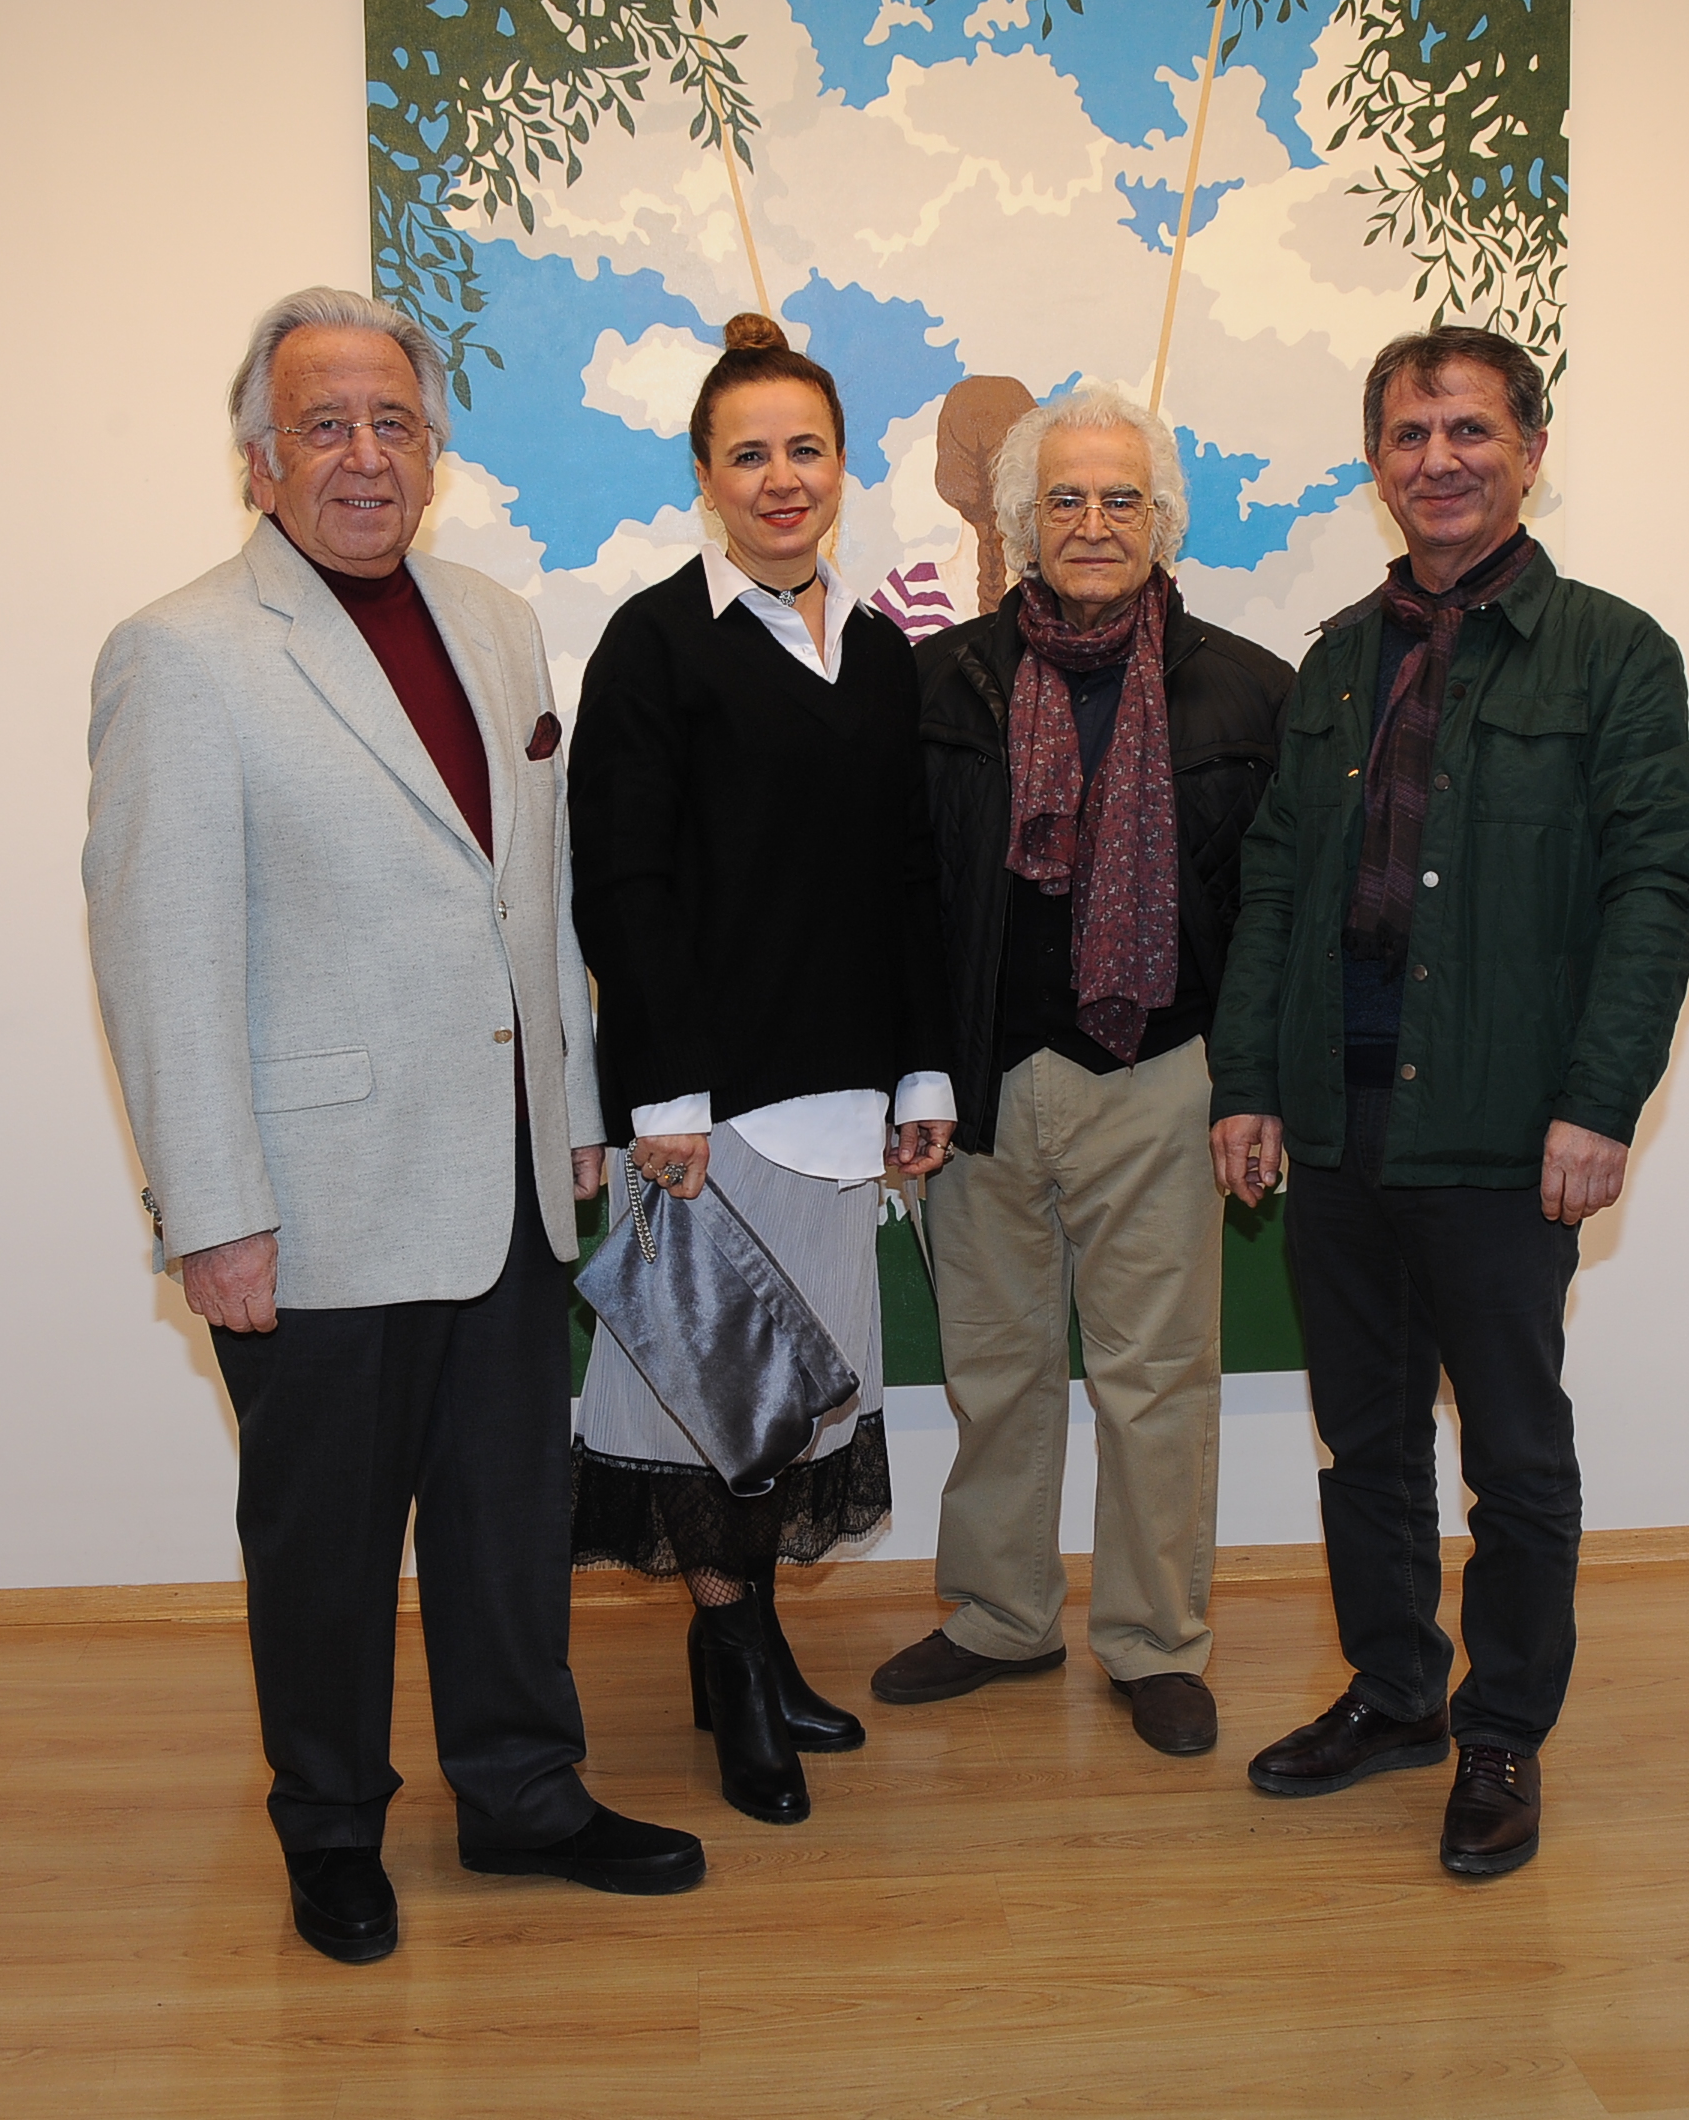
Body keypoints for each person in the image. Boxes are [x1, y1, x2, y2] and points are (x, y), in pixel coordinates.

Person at [83, 286, 704, 1964]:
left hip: (505, 1178)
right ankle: (333, 1825)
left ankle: (524, 1796)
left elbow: (534, 897)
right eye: (324, 426)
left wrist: (571, 1109)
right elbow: (161, 960)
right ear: (259, 461)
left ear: (433, 451)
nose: (364, 456)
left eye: (393, 424)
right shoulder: (181, 655)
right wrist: (213, 1212)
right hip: (314, 1196)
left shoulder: (495, 623)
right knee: (328, 1545)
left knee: (509, 1519)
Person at [1208, 326, 1689, 1877]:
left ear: (1530, 452)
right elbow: (1278, 884)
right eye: (1412, 435)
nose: (1440, 460)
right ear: (1378, 462)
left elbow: (1657, 892)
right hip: (1338, 1121)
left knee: (1515, 1455)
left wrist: (1599, 1102)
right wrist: (1250, 1080)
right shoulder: (1336, 663)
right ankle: (1393, 1694)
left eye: (1471, 431)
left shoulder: (1614, 655)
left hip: (1504, 1128)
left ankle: (1501, 1735)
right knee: (1362, 1439)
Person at [567, 313, 959, 1828]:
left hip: (850, 1106)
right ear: (706, 476)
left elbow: (912, 883)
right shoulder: (656, 644)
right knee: (714, 1407)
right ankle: (735, 1667)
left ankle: (754, 1649)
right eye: (750, 454)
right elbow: (627, 885)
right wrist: (662, 1099)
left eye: (806, 449)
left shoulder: (882, 653)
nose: (781, 478)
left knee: (791, 1407)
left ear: (843, 467)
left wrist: (922, 1076)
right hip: (715, 1115)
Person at [874, 386, 1291, 1758]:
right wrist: (909, 1074)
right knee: (995, 1370)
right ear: (1019, 521)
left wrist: (1251, 1083)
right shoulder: (940, 684)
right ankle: (1002, 1616)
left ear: (1161, 518)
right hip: (983, 1085)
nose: (1095, 523)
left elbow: (1276, 911)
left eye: (1122, 498)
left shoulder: (1247, 689)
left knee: (1156, 1378)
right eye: (1065, 498)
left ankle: (1156, 1641)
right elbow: (898, 894)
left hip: (1164, 1076)